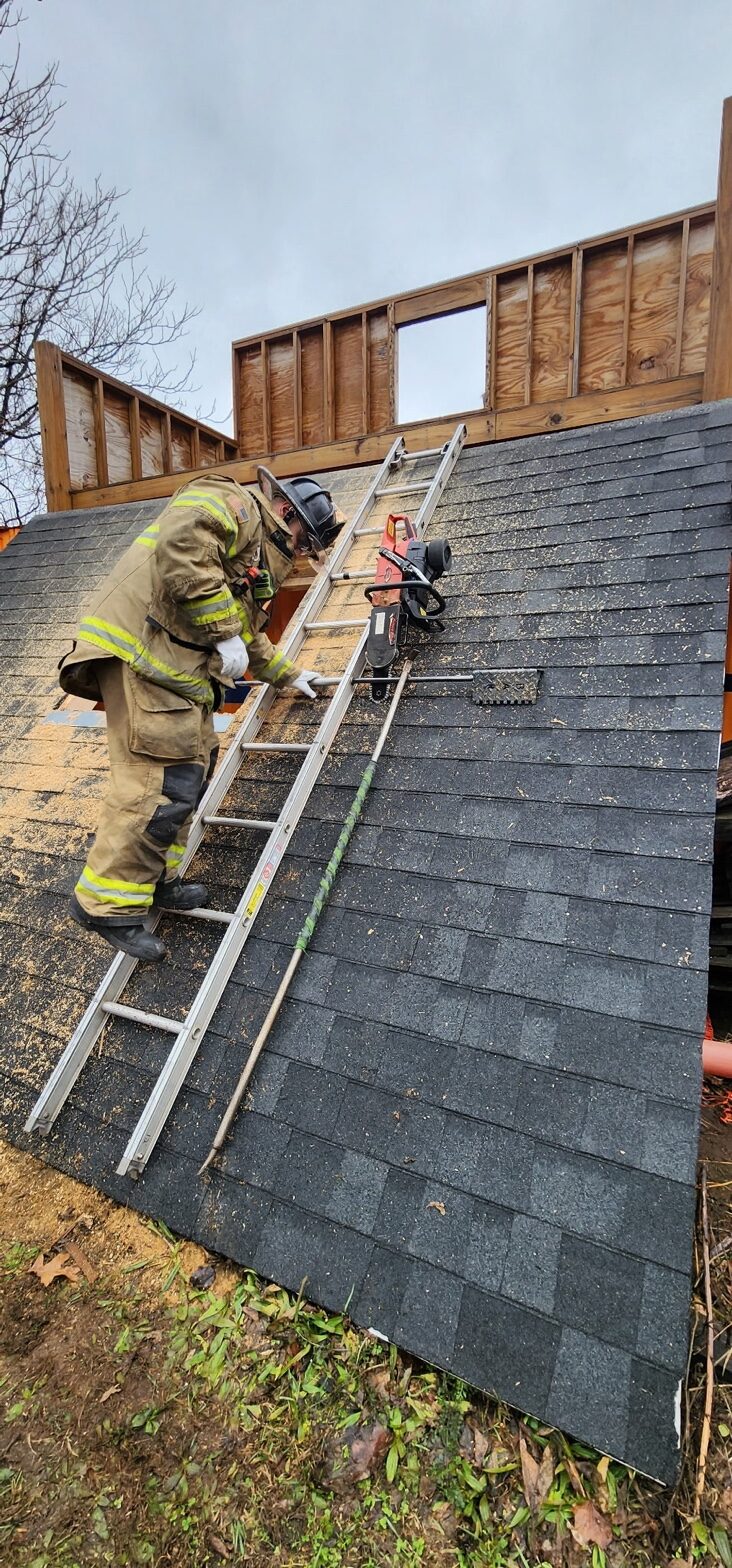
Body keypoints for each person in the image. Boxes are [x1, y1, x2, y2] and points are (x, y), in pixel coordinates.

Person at [59, 466, 343, 962]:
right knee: (157, 780)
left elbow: (246, 634)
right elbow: (183, 543)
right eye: (304, 540)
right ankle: (103, 905)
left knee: (191, 774)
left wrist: (289, 674)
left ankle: (156, 880)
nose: (301, 553)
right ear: (285, 511)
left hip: (173, 672)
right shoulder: (236, 506)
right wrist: (224, 631)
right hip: (144, 657)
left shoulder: (252, 559)